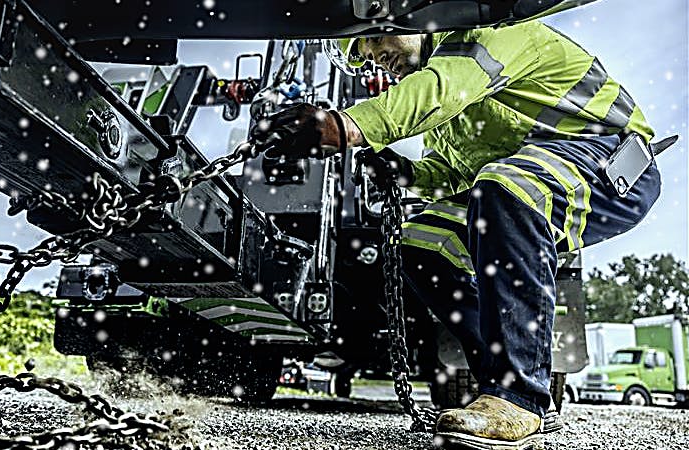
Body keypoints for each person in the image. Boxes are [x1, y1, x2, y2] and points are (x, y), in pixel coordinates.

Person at [253, 20, 669, 448]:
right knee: (421, 245)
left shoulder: (487, 33)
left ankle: (520, 398)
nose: (376, 55)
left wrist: (345, 126)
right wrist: (407, 172)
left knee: (507, 189)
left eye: (376, 39)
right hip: (533, 172)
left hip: (609, 159)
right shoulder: (446, 111)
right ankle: (500, 381)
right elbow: (454, 174)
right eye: (364, 54)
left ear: (409, 19)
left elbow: (441, 90)